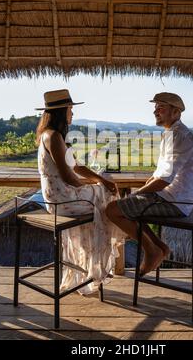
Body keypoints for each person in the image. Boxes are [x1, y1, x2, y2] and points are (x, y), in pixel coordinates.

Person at [35, 89, 125, 294]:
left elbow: (76, 166)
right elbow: (69, 177)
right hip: (62, 199)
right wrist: (93, 186)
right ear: (62, 111)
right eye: (71, 109)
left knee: (104, 187)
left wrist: (100, 180)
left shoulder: (50, 135)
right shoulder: (54, 137)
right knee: (106, 196)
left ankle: (96, 254)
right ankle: (107, 250)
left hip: (57, 197)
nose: (72, 114)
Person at [106, 92, 193, 276]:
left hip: (175, 202)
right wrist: (142, 190)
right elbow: (159, 173)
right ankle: (159, 248)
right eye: (155, 107)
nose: (155, 111)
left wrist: (138, 193)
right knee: (126, 206)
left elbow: (165, 180)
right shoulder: (171, 133)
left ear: (176, 112)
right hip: (169, 196)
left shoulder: (180, 136)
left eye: (161, 107)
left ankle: (151, 250)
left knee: (112, 210)